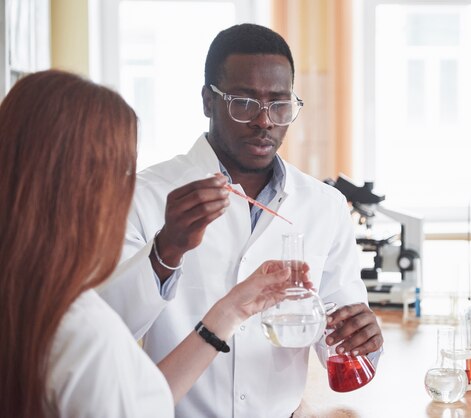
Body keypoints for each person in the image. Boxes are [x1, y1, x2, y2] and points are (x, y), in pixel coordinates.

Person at [99, 23, 384, 417]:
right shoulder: (145, 195)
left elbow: (336, 340)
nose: (264, 121)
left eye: (279, 104)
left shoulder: (324, 206)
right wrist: (166, 251)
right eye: (244, 102)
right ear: (207, 101)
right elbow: (109, 330)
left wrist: (361, 335)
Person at [0, 70, 312, 417]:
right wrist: (167, 250)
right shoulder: (84, 330)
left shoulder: (31, 305)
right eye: (121, 174)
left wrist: (230, 311)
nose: (126, 190)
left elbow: (143, 404)